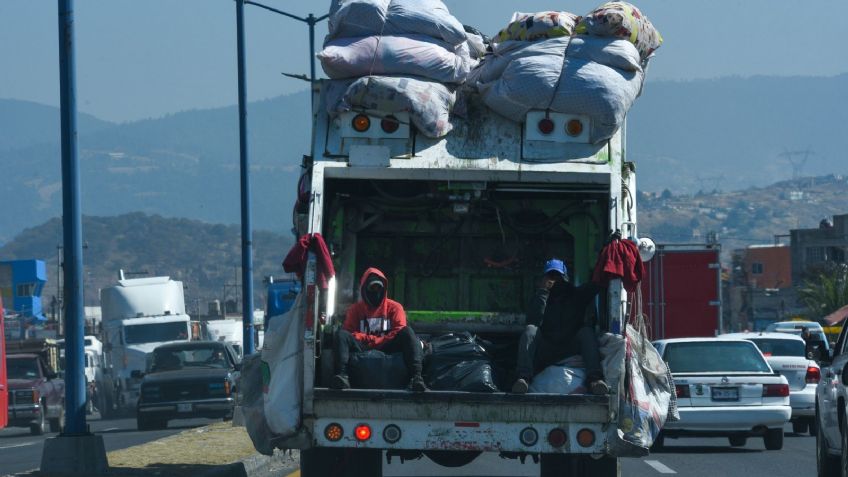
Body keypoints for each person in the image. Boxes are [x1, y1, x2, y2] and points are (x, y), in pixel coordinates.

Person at [512, 259, 610, 395]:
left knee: (586, 331)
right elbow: (534, 320)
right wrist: (543, 293)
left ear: (565, 277)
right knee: (530, 330)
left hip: (569, 348)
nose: (555, 280)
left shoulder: (577, 295)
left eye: (558, 276)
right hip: (547, 349)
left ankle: (595, 380)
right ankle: (523, 379)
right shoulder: (539, 298)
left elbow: (597, 284)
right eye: (551, 276)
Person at [331, 267, 427, 392]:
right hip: (364, 346)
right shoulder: (355, 310)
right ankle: (342, 377)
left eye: (379, 288)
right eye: (372, 288)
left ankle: (416, 378)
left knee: (408, 332)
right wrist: (370, 339)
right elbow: (348, 332)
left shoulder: (395, 307)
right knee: (341, 335)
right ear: (365, 289)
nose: (376, 292)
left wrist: (372, 339)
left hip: (387, 346)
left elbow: (399, 330)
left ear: (384, 289)